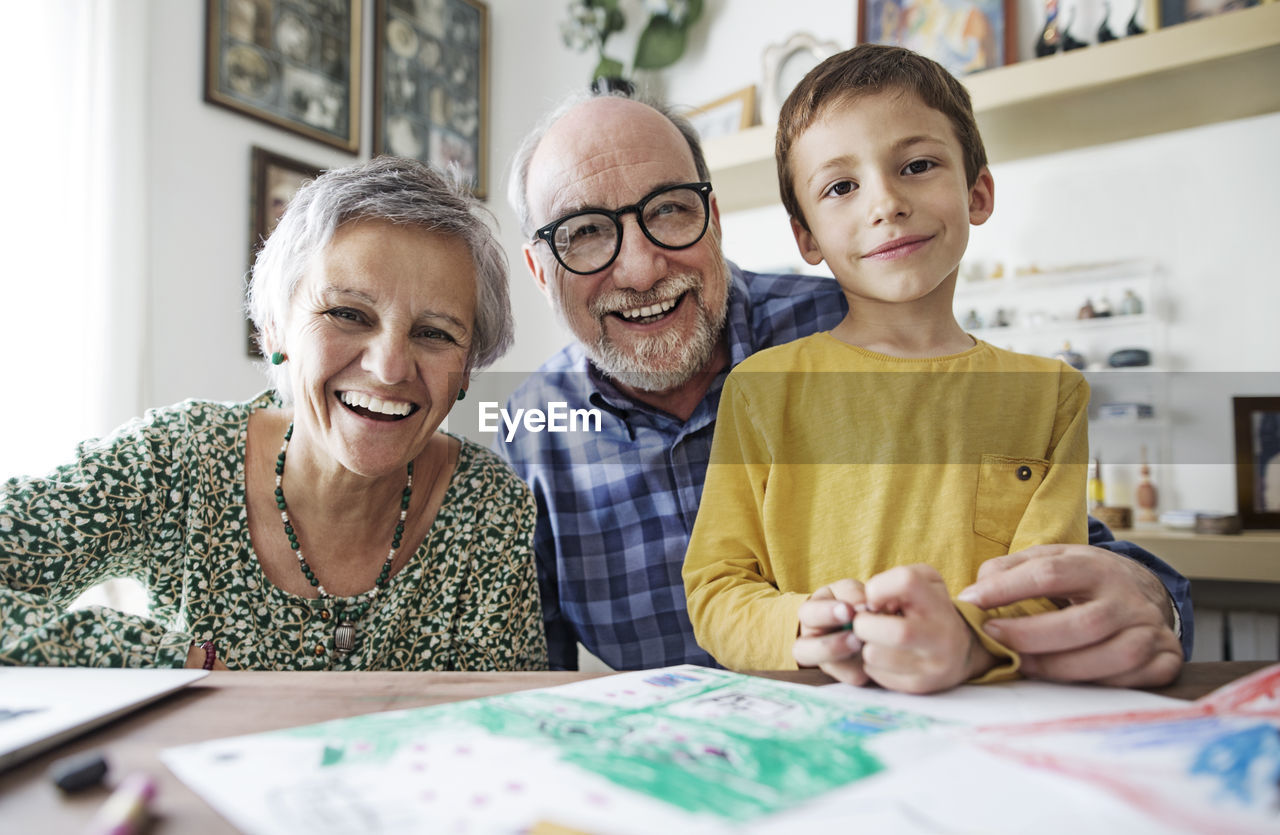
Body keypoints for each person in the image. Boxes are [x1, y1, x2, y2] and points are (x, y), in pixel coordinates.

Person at [499, 88, 1190, 686]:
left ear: (713, 216)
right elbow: (528, 686)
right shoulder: (527, 437)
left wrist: (1149, 596)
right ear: (538, 270)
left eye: (671, 209)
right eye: (585, 232)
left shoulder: (862, 318)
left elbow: (1049, 548)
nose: (643, 266)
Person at [0, 157, 547, 671]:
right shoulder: (176, 458)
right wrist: (163, 662)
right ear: (274, 329)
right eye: (348, 314)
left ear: (468, 369)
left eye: (434, 333)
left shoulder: (489, 505)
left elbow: (505, 726)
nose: (388, 368)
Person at [683, 44, 1087, 693]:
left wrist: (966, 641)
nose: (886, 202)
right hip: (817, 727)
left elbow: (1051, 586)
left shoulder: (1052, 395)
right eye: (841, 186)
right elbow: (716, 590)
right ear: (807, 236)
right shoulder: (759, 391)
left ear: (977, 191)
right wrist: (805, 625)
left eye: (917, 165)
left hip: (992, 721)